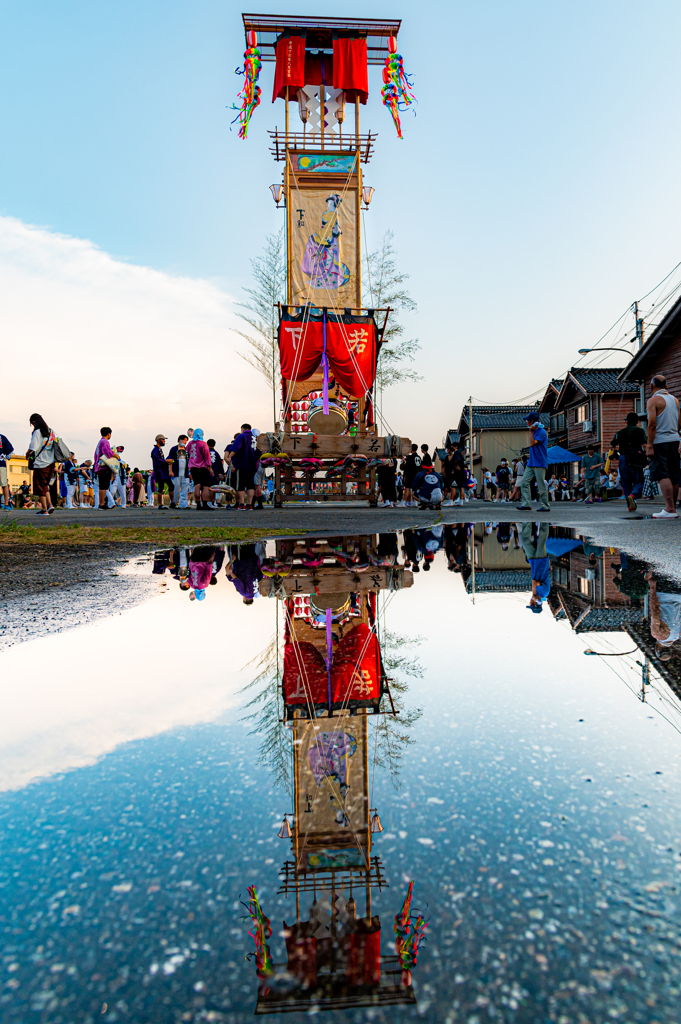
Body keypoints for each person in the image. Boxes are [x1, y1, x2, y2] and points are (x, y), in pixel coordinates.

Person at [646, 374, 681, 519]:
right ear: (666, 386)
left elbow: (652, 424)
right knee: (673, 475)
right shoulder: (675, 400)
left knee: (662, 474)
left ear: (651, 386)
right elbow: (679, 423)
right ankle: (672, 508)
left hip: (660, 441)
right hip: (674, 439)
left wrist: (649, 445)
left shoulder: (653, 401)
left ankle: (670, 509)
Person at [611, 411, 648, 512]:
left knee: (626, 483)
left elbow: (613, 443)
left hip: (623, 458)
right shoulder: (639, 431)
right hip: (635, 456)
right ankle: (634, 494)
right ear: (637, 421)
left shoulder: (620, 432)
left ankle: (630, 505)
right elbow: (644, 444)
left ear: (626, 421)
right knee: (639, 480)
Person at [516, 413, 549, 512]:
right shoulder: (535, 431)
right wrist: (531, 431)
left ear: (532, 422)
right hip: (531, 462)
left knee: (541, 485)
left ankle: (545, 506)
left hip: (540, 462)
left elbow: (532, 444)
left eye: (527, 420)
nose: (526, 422)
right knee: (524, 482)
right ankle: (526, 504)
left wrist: (530, 432)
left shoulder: (541, 432)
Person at [26, 413, 56, 515]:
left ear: (34, 422)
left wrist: (27, 453)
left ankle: (44, 509)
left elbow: (33, 448)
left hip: (40, 463)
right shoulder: (51, 431)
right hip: (51, 463)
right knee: (45, 485)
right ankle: (50, 504)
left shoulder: (37, 432)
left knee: (40, 486)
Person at [226, 423, 260, 510]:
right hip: (252, 465)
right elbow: (258, 452)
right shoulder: (255, 438)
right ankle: (249, 504)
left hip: (241, 464)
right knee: (250, 485)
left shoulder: (241, 436)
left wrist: (230, 456)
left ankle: (241, 504)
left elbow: (236, 447)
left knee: (240, 485)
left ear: (242, 429)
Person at [520, 521, 550, 612]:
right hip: (542, 561)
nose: (530, 601)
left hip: (533, 561)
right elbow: (535, 582)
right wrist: (534, 594)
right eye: (532, 603)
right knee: (542, 538)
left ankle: (527, 521)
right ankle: (545, 521)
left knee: (525, 542)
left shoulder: (536, 593)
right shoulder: (544, 593)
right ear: (536, 603)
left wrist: (534, 594)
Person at [187, 428, 213, 510]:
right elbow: (207, 456)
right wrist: (210, 467)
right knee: (205, 486)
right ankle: (204, 504)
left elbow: (186, 452)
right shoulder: (203, 444)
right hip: (202, 467)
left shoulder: (190, 443)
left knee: (197, 485)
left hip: (193, 467)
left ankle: (198, 504)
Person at [92, 427, 118, 511]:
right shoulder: (105, 441)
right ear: (108, 434)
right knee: (104, 486)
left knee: (102, 486)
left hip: (98, 467)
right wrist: (116, 455)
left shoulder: (100, 442)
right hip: (103, 467)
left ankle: (102, 503)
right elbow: (108, 452)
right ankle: (102, 504)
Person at [151, 434, 175, 510]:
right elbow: (157, 460)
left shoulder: (159, 449)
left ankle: (172, 502)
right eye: (163, 440)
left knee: (171, 485)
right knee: (161, 487)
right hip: (159, 471)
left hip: (163, 471)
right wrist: (166, 461)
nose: (164, 441)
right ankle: (160, 504)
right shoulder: (155, 450)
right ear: (159, 440)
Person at [167, 435, 191, 509]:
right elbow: (170, 460)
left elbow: (190, 461)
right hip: (176, 472)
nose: (185, 442)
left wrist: (190, 472)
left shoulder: (187, 450)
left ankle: (183, 504)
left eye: (186, 440)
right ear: (179, 440)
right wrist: (170, 471)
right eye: (183, 440)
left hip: (185, 473)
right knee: (175, 488)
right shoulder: (174, 449)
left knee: (185, 488)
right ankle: (173, 503)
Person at [206, 439, 224, 508]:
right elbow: (220, 465)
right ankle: (211, 502)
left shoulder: (205, 453)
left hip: (206, 473)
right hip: (214, 474)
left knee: (205, 488)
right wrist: (221, 473)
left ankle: (204, 502)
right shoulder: (217, 454)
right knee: (213, 489)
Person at [0, 432, 14, 509]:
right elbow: (9, 452)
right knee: (4, 484)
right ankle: (6, 504)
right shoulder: (2, 437)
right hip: (1, 462)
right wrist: (7, 457)